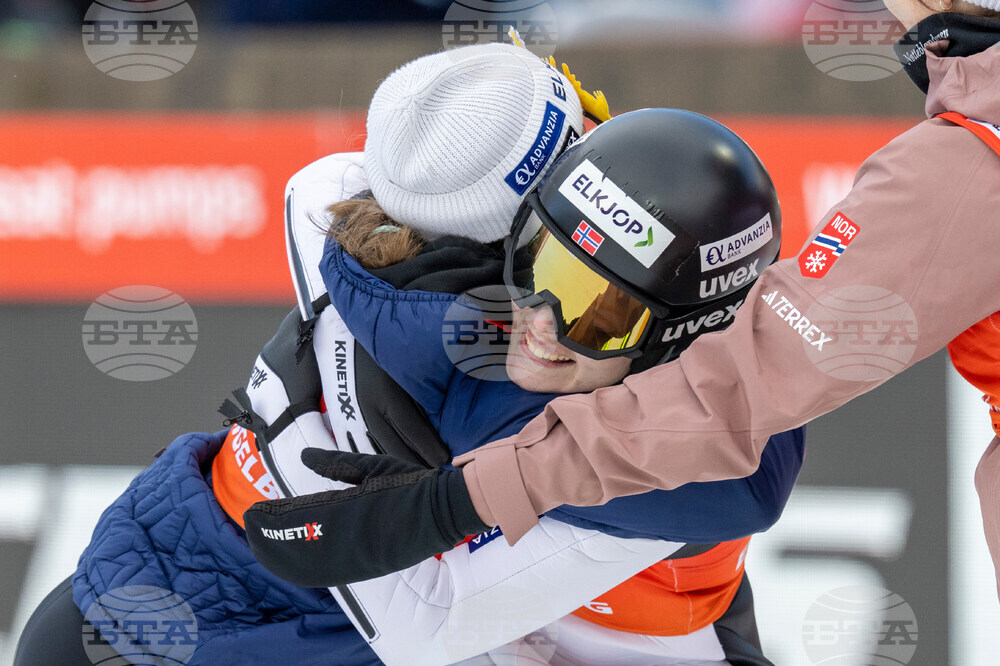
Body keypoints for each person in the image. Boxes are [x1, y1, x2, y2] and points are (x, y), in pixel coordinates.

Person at [15, 43, 796, 666]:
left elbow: (319, 185)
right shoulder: (542, 400)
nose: (545, 324)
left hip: (135, 571)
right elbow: (751, 471)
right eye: (583, 146)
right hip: (220, 634)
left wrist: (295, 431)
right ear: (513, 224)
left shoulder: (347, 227)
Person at [282, 0, 1000, 600]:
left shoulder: (970, 156)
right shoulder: (484, 364)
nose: (547, 323)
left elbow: (745, 396)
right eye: (544, 268)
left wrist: (454, 503)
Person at [246, 107, 803, 664]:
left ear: (677, 342)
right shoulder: (448, 307)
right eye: (540, 266)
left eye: (598, 318)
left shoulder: (655, 472)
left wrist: (288, 420)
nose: (540, 324)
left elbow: (425, 631)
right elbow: (324, 184)